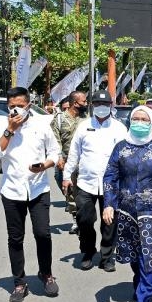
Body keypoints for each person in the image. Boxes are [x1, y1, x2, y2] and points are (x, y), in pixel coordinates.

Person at [0, 87, 61, 302]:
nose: (15, 109)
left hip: (38, 189)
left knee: (43, 234)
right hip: (12, 190)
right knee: (15, 238)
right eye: (11, 106)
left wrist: (45, 165)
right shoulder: (1, 125)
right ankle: (19, 283)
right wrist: (9, 130)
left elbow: (54, 152)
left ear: (28, 104)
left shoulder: (41, 125)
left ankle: (46, 274)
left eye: (19, 105)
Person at [102, 105, 152, 302]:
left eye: (145, 119)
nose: (140, 122)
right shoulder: (121, 148)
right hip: (126, 210)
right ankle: (139, 284)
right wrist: (108, 204)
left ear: (151, 123)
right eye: (136, 118)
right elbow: (110, 177)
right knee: (134, 255)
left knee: (148, 256)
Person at [62, 90, 127, 272]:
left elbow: (125, 156)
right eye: (97, 104)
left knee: (109, 222)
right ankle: (88, 251)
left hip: (111, 185)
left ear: (110, 107)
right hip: (86, 183)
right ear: (91, 106)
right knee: (84, 219)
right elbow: (74, 154)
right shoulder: (83, 127)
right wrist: (67, 176)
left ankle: (107, 257)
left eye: (105, 105)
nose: (101, 108)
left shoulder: (119, 128)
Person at [50, 91, 88, 235]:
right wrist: (59, 157)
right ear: (74, 103)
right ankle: (76, 218)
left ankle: (81, 220)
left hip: (83, 162)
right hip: (65, 162)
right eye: (83, 102)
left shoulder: (87, 119)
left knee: (82, 193)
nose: (86, 104)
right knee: (69, 192)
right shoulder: (59, 119)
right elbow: (54, 139)